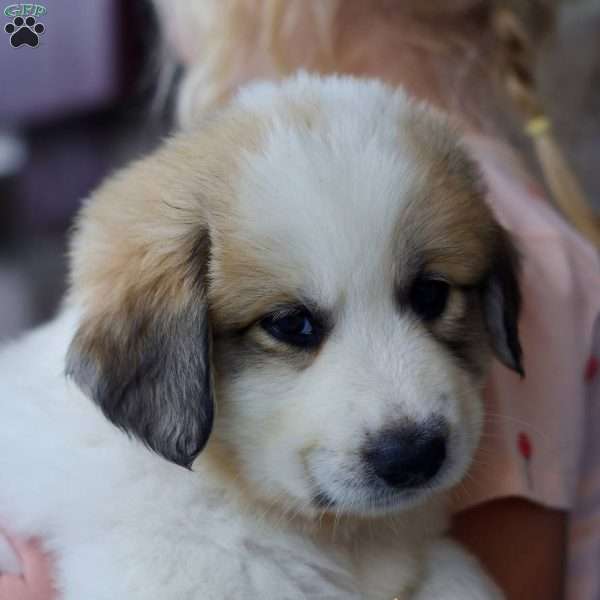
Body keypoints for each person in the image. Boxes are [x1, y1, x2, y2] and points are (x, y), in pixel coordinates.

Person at [2, 1, 599, 598]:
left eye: (429, 296)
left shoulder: (497, 219)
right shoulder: (155, 525)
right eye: (294, 326)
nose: (408, 412)